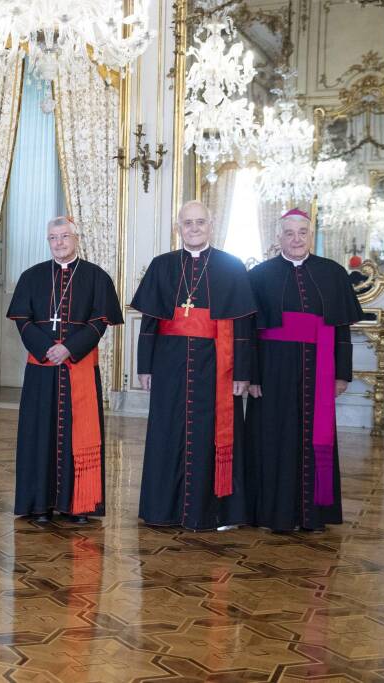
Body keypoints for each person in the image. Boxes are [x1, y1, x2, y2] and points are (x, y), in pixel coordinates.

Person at [131, 200, 257, 531]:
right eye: (188, 223)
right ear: (178, 228)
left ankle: (215, 512)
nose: (194, 228)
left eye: (200, 222)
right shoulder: (162, 265)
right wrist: (145, 367)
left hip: (217, 364)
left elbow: (242, 326)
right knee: (167, 433)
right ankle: (162, 510)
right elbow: (150, 321)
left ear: (211, 225)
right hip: (169, 363)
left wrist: (242, 372)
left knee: (212, 434)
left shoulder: (232, 266)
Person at [246, 208, 364, 532]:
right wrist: (252, 375)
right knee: (273, 436)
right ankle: (273, 513)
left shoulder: (334, 273)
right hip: (273, 369)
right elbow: (248, 332)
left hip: (319, 367)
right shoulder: (259, 275)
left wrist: (342, 373)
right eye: (289, 233)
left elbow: (341, 329)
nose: (296, 239)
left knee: (316, 436)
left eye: (302, 232)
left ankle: (314, 513)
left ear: (310, 236)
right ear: (278, 237)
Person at [7, 217, 123, 524]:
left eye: (64, 236)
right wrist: (47, 348)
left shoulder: (96, 277)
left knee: (78, 434)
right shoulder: (32, 276)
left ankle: (78, 504)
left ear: (76, 239)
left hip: (78, 366)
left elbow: (101, 321)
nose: (59, 242)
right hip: (42, 368)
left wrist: (69, 347)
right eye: (53, 238)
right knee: (39, 434)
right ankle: (39, 504)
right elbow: (23, 320)